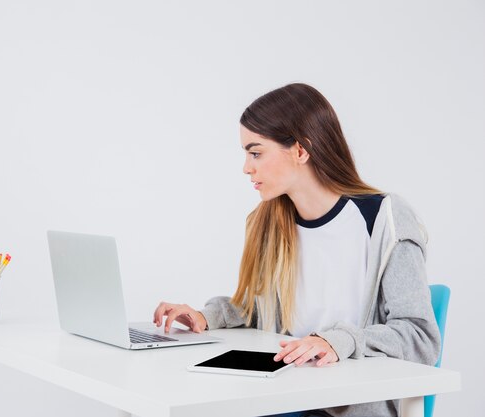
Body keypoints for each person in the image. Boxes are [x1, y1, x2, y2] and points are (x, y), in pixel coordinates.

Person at [152, 83, 441, 417]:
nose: (247, 167)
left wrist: (337, 341)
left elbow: (420, 337)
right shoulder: (268, 221)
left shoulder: (384, 219)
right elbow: (262, 313)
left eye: (255, 152)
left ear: (301, 151)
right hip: (282, 399)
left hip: (351, 409)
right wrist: (206, 316)